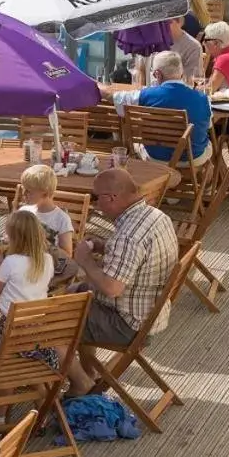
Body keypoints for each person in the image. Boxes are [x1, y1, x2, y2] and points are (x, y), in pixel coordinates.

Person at [67, 169, 178, 395]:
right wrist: (105, 245)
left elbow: (111, 288)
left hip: (127, 324)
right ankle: (90, 372)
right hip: (151, 314)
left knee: (51, 321)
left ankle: (81, 383)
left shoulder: (127, 237)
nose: (97, 205)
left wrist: (85, 261)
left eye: (98, 198)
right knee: (72, 293)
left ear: (112, 198)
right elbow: (137, 254)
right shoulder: (155, 216)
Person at [103, 50, 211, 167]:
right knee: (208, 144)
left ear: (158, 74)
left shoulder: (145, 95)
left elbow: (113, 97)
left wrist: (95, 85)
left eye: (154, 75)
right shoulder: (202, 98)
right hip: (193, 159)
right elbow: (208, 125)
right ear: (181, 73)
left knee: (133, 143)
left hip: (156, 158)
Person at [0, 210, 58, 369]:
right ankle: (42, 391)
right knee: (29, 367)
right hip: (38, 330)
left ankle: (3, 389)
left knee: (4, 370)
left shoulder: (11, 262)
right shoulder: (47, 260)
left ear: (15, 239)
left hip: (11, 330)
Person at [139, 17, 203, 86]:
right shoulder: (150, 41)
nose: (160, 26)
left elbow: (190, 82)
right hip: (150, 94)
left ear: (179, 22)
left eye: (166, 22)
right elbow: (141, 70)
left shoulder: (192, 46)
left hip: (175, 94)